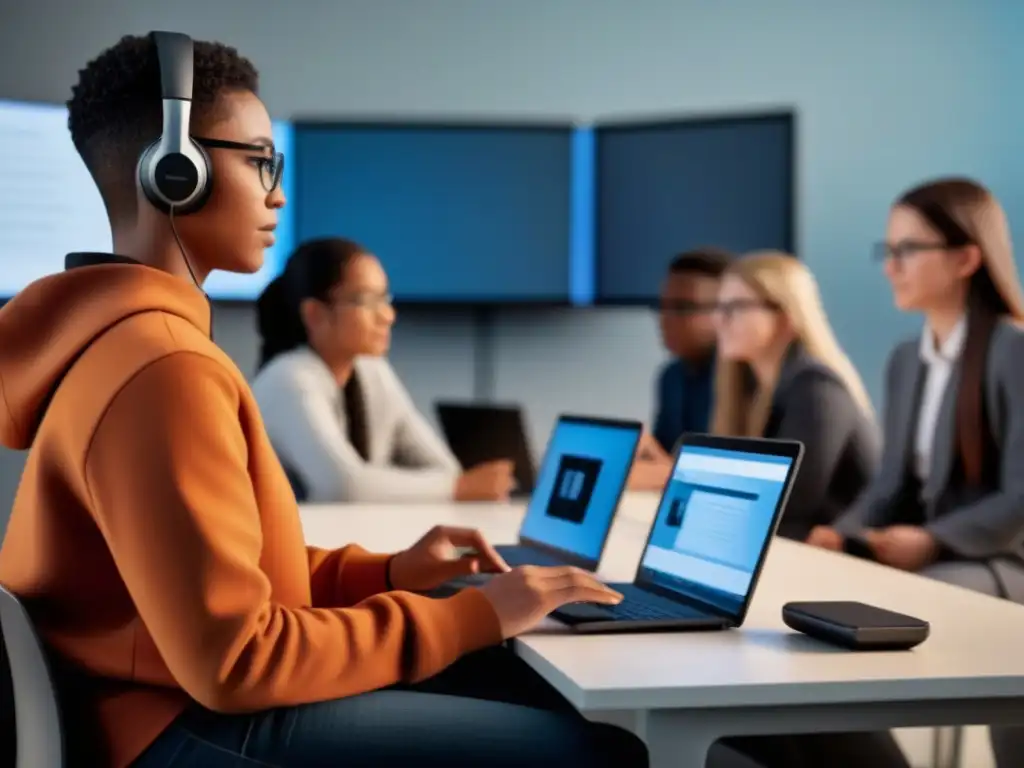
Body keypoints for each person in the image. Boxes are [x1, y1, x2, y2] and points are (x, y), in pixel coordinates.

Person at [0, 32, 645, 768]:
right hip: (174, 728)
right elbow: (238, 658)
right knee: (595, 750)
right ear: (174, 172)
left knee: (516, 680)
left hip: (157, 705)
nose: (277, 192)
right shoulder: (164, 367)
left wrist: (387, 574)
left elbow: (223, 572)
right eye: (259, 162)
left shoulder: (124, 343)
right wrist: (475, 615)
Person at [808, 177, 1024, 766]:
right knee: (819, 595)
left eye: (907, 249)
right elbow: (889, 486)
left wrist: (931, 542)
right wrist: (843, 533)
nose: (891, 267)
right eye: (888, 250)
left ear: (966, 259)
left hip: (1002, 562)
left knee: (895, 609)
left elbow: (1020, 498)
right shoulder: (909, 359)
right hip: (946, 558)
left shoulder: (1013, 350)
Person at [252, 237, 515, 503]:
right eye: (367, 301)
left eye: (385, 298)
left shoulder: (371, 370)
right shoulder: (288, 379)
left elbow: (445, 469)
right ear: (315, 314)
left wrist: (454, 484)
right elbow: (345, 487)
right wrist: (457, 488)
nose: (388, 315)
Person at [709, 252, 881, 541]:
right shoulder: (757, 390)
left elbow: (785, 509)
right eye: (718, 308)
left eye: (735, 307)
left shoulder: (817, 389)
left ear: (786, 317)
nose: (718, 321)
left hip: (842, 561)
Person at [629, 247, 732, 491]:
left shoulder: (747, 382)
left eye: (683, 307)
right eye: (663, 306)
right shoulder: (671, 376)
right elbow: (661, 457)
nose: (665, 318)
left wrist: (667, 472)